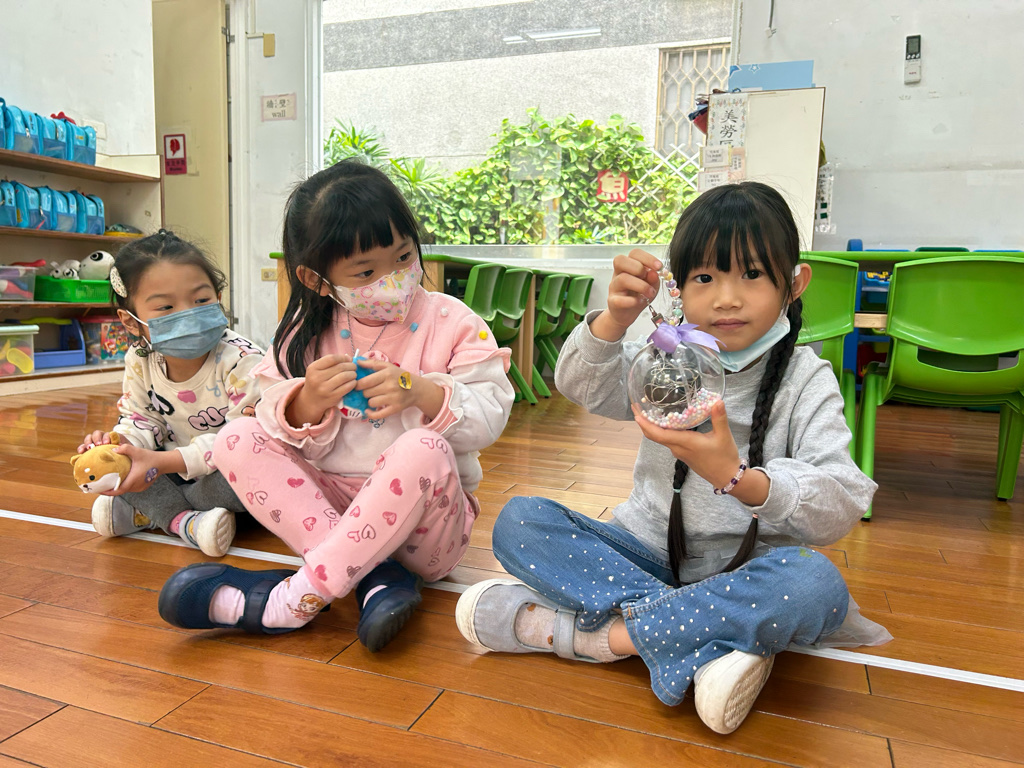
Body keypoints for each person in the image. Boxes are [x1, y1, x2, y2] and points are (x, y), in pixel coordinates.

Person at [455, 182, 890, 734]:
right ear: (678, 289)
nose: (727, 298)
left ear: (794, 283)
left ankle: (597, 639)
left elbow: (840, 503)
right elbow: (580, 385)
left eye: (752, 274)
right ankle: (711, 641)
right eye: (705, 278)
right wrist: (613, 321)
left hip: (747, 570)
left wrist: (739, 478)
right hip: (644, 552)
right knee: (520, 521)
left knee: (813, 583)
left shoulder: (806, 380)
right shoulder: (668, 361)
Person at [158, 160, 515, 652]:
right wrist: (306, 401)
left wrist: (423, 392)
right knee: (235, 438)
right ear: (317, 279)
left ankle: (293, 600)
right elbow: (269, 414)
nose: (393, 278)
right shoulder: (305, 332)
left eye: (403, 257)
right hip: (329, 515)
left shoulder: (453, 321)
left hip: (425, 534)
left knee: (423, 448)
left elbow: (492, 415)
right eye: (366, 272)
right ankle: (374, 578)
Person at [80, 230, 264, 557]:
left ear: (218, 295)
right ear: (131, 322)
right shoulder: (140, 359)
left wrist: (159, 463)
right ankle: (188, 522)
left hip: (226, 473)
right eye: (166, 307)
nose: (187, 313)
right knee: (122, 469)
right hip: (174, 469)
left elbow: (245, 441)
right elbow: (141, 418)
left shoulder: (242, 359)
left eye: (201, 300)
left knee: (249, 478)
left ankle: (159, 515)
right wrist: (121, 446)